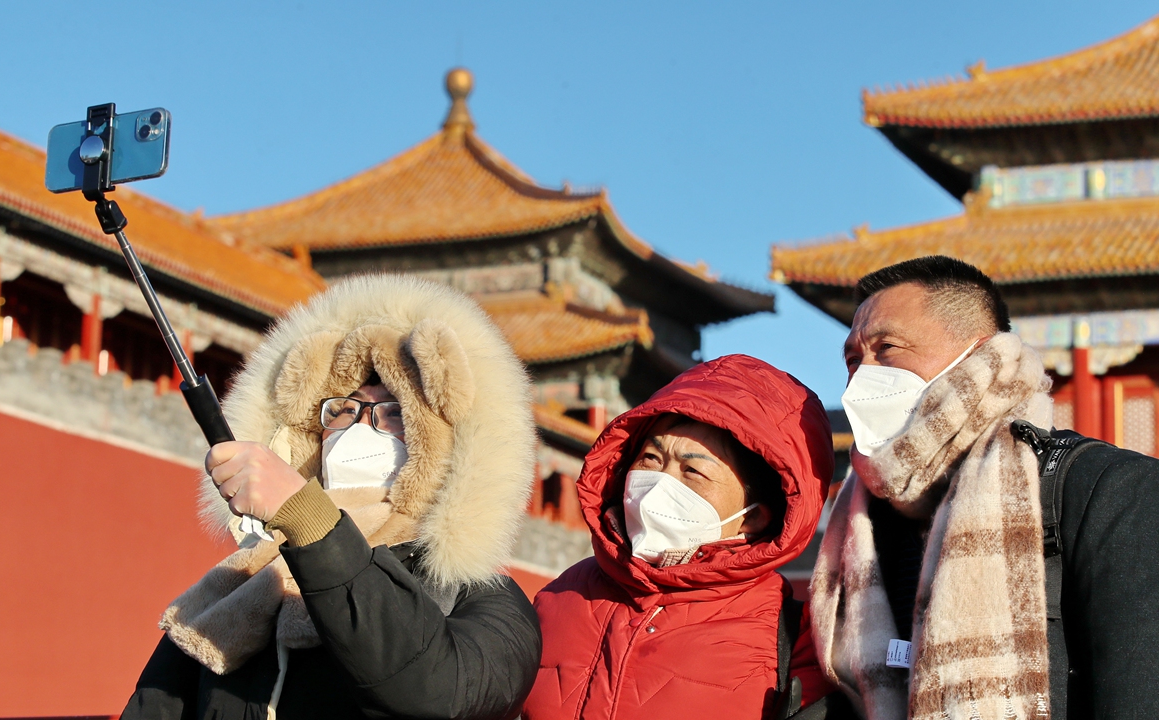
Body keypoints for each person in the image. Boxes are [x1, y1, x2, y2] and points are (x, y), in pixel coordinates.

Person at [121, 275, 542, 720]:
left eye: (394, 413)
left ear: (448, 451)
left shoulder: (484, 600)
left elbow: (434, 694)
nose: (360, 424)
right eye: (343, 409)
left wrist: (310, 521)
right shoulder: (241, 587)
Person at [812, 255, 1159, 719]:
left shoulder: (1106, 490)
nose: (862, 375)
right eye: (854, 359)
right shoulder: (860, 524)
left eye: (887, 348)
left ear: (977, 355)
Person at [522, 354, 840, 720]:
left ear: (752, 518)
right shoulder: (561, 595)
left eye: (692, 471)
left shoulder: (790, 639)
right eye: (652, 459)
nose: (660, 484)